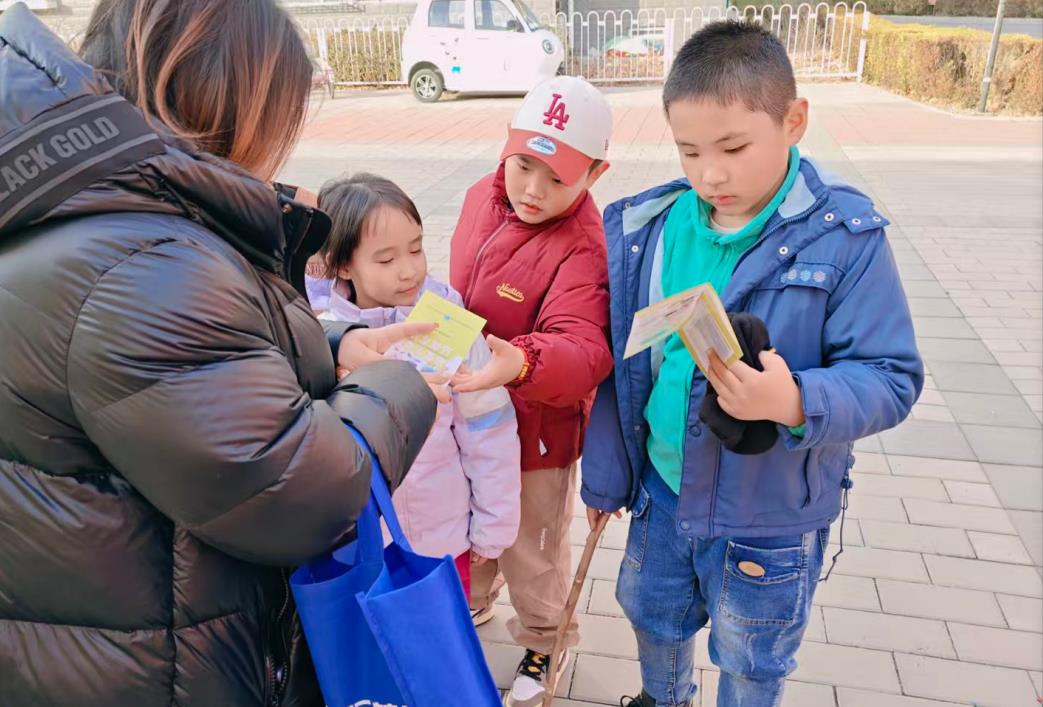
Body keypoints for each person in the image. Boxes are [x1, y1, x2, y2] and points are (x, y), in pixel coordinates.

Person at [0, 2, 439, 706]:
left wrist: (336, 346)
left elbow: (191, 372)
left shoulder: (88, 213)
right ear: (228, 101)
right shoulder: (144, 262)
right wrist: (397, 385)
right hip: (159, 668)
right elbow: (301, 492)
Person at [581, 22, 924, 707]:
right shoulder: (651, 227)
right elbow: (627, 369)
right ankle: (663, 697)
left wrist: (792, 399)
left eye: (734, 147)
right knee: (652, 617)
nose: (710, 174)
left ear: (793, 121)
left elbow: (891, 376)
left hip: (768, 517)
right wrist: (607, 479)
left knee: (751, 655)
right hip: (661, 494)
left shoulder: (843, 239)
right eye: (689, 152)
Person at [448, 76, 614, 707]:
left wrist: (521, 361)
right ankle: (476, 598)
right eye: (523, 165)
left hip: (536, 434)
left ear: (595, 174)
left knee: (530, 546)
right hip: (471, 412)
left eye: (557, 177)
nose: (532, 190)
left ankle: (548, 638)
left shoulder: (584, 248)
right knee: (469, 518)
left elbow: (585, 350)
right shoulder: (480, 197)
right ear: (507, 146)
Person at [306, 173, 522, 596]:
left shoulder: (450, 326)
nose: (409, 270)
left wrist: (492, 525)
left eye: (416, 248)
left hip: (441, 538)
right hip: (356, 547)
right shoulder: (320, 337)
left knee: (439, 630)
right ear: (343, 264)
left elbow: (488, 429)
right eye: (386, 260)